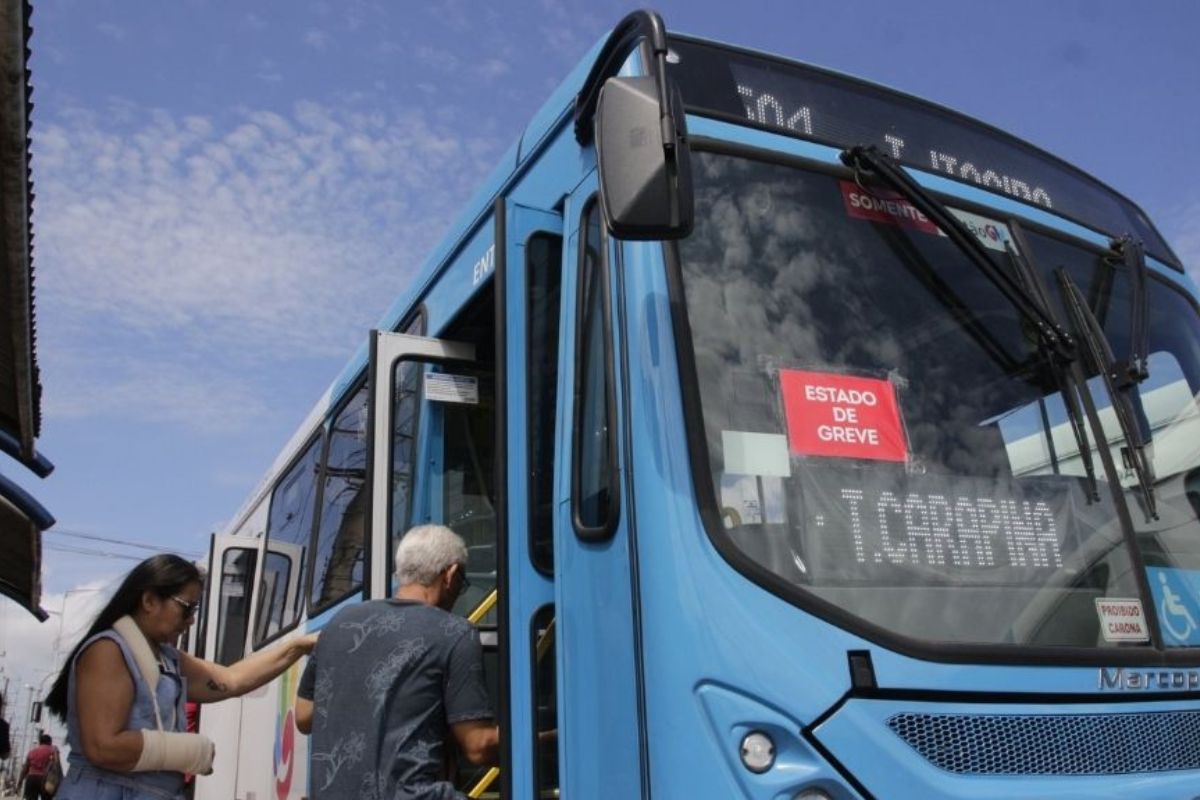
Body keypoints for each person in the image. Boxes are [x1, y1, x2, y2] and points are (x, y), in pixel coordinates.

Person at [44, 554, 318, 800]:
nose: (191, 620)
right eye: (187, 608)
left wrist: (296, 647)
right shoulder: (108, 651)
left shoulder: (167, 659)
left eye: (195, 611)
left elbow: (232, 679)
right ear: (149, 601)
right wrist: (192, 750)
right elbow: (102, 747)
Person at [296, 524, 497, 799]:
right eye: (462, 582)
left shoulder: (340, 623)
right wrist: (545, 739)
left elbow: (304, 716)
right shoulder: (455, 632)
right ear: (450, 575)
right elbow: (479, 746)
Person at [18, 734, 58, 800]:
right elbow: (56, 764)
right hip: (45, 780)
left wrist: (20, 782)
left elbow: (25, 768)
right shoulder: (52, 751)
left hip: (31, 779)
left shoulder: (31, 752)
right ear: (50, 742)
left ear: (40, 742)